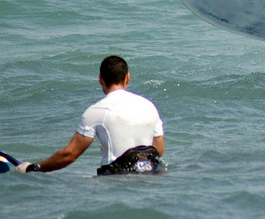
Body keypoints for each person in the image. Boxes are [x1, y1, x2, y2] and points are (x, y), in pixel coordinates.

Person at [16, 55, 165, 175]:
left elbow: (70, 155)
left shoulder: (97, 111)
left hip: (115, 181)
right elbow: (158, 150)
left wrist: (33, 168)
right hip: (150, 177)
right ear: (128, 78)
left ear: (100, 79)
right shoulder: (149, 106)